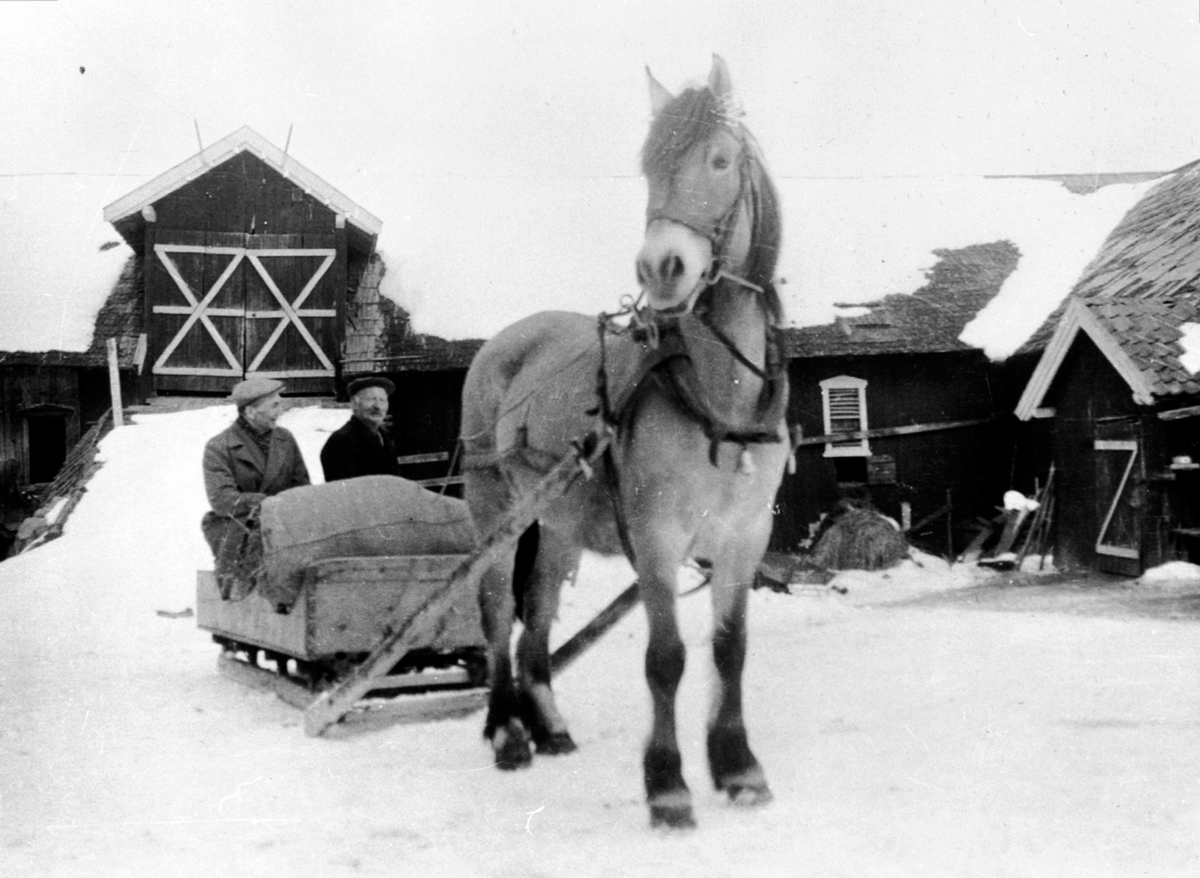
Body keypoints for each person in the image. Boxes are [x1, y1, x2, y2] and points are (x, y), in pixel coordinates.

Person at [201, 376, 310, 600]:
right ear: (250, 412)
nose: (281, 409)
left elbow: (303, 487)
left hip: (284, 524)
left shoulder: (285, 439)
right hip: (239, 528)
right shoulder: (219, 447)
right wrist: (267, 503)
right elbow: (222, 501)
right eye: (275, 405)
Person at [320, 376, 402, 482]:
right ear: (355, 403)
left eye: (382, 400)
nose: (378, 406)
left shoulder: (383, 436)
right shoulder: (341, 441)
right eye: (371, 399)